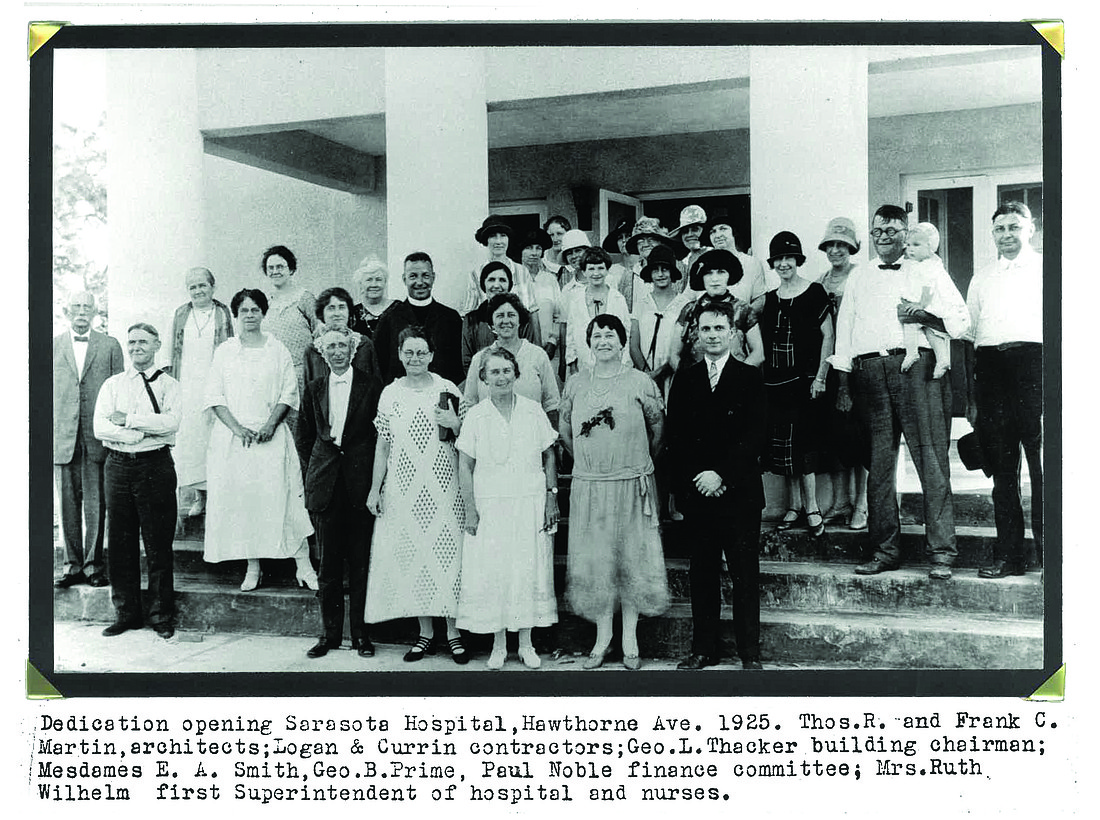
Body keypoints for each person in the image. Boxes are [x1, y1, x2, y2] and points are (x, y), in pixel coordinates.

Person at [831, 205, 971, 579]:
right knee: (878, 468)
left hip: (919, 370)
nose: (885, 238)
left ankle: (941, 551)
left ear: (906, 232)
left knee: (931, 461)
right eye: (879, 231)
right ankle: (884, 550)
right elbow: (844, 333)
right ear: (872, 235)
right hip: (870, 374)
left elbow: (961, 321)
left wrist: (923, 316)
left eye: (893, 231)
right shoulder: (859, 277)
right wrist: (844, 384)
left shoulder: (926, 267)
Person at [560, 315, 669, 670]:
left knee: (631, 559)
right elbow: (565, 434)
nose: (604, 340)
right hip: (590, 487)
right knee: (598, 563)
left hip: (631, 486)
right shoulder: (575, 384)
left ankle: (630, 639)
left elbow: (657, 430)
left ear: (622, 342)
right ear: (588, 341)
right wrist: (596, 468)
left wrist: (631, 464)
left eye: (611, 334)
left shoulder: (640, 382)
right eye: (597, 335)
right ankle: (603, 637)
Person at [666, 300, 767, 670]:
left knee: (744, 574)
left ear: (732, 333)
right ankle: (703, 649)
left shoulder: (749, 377)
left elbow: (755, 435)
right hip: (699, 494)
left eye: (719, 329)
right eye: (705, 329)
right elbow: (676, 436)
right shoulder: (686, 378)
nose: (712, 335)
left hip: (738, 493)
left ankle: (749, 653)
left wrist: (721, 475)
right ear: (697, 333)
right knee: (702, 573)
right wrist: (699, 479)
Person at [202, 289, 317, 591]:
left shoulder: (277, 349)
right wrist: (238, 428)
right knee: (246, 502)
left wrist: (270, 424)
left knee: (287, 497)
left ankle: (303, 565)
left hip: (271, 435)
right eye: (244, 311)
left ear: (263, 314)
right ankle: (253, 567)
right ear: (236, 315)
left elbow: (289, 392)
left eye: (255, 310)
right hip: (235, 440)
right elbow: (214, 395)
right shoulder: (225, 351)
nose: (250, 315)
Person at [365, 326, 468, 663]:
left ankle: (453, 633)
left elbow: (465, 440)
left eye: (421, 352)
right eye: (409, 352)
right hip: (404, 489)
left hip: (444, 486)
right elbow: (383, 445)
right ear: (399, 354)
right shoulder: (390, 394)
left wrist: (455, 424)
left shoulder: (447, 388)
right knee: (415, 556)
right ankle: (425, 634)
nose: (415, 358)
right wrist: (375, 488)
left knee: (447, 555)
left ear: (432, 355)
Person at [457, 347, 559, 669]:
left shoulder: (532, 410)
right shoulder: (475, 416)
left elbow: (549, 455)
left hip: (528, 501)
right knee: (495, 571)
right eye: (494, 372)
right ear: (483, 378)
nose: (501, 377)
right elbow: (465, 465)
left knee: (526, 569)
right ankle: (499, 644)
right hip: (490, 504)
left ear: (516, 374)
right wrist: (470, 508)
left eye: (506, 371)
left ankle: (526, 644)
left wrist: (552, 496)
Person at [964, 202, 1043, 578]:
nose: (1007, 235)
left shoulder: (1048, 268)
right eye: (1000, 229)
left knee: (1044, 469)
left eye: (1014, 227)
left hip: (1036, 370)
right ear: (992, 234)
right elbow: (972, 337)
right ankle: (1009, 556)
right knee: (1002, 471)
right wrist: (973, 397)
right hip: (993, 373)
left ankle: (1051, 559)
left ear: (1030, 229)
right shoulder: (982, 278)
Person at [297, 326, 384, 658]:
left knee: (361, 563)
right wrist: (316, 474)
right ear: (322, 351)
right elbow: (304, 436)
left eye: (342, 345)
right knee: (328, 566)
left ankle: (362, 635)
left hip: (360, 485)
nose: (337, 351)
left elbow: (378, 436)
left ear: (352, 349)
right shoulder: (314, 387)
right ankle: (329, 634)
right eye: (330, 346)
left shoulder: (371, 385)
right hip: (326, 486)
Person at [92, 322, 181, 638]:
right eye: (131, 342)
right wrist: (137, 434)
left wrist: (129, 420)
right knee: (120, 542)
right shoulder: (113, 385)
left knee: (158, 542)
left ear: (157, 345)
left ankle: (161, 615)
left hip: (155, 466)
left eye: (143, 342)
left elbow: (172, 423)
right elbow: (100, 427)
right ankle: (126, 613)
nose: (136, 347)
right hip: (117, 467)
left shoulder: (169, 385)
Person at [758, 231, 835, 537]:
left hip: (805, 383)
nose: (784, 263)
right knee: (783, 449)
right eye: (779, 259)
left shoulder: (814, 292)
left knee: (804, 447)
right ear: (774, 263)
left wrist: (820, 377)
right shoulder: (769, 299)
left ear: (798, 260)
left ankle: (812, 507)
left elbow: (828, 336)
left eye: (789, 258)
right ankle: (792, 507)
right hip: (776, 384)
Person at [54, 291, 123, 589]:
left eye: (87, 307)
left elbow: (120, 391)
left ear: (95, 312)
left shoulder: (110, 345)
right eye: (77, 306)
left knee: (97, 504)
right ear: (68, 311)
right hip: (64, 438)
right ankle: (71, 566)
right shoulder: (51, 345)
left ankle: (94, 565)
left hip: (97, 437)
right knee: (67, 505)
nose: (82, 311)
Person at [815, 217, 869, 530]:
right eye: (831, 245)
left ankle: (861, 503)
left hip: (857, 365)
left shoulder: (861, 275)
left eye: (842, 245)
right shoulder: (821, 280)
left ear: (851, 247)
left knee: (859, 436)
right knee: (834, 436)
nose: (836, 250)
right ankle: (840, 501)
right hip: (832, 366)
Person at [168, 267, 234, 518]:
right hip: (187, 386)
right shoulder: (181, 314)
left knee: (213, 441)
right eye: (192, 287)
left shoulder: (222, 313)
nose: (197, 291)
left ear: (212, 287)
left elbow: (229, 352)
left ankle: (217, 496)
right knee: (190, 443)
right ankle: (199, 497)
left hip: (214, 386)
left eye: (202, 285)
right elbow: (173, 353)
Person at [462, 292, 560, 421]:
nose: (506, 321)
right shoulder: (479, 359)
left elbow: (551, 404)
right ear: (491, 323)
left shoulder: (538, 355)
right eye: (500, 316)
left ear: (520, 320)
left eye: (511, 315)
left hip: (532, 434)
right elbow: (470, 405)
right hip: (490, 436)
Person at [373, 252, 464, 385]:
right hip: (402, 398)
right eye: (413, 276)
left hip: (442, 399)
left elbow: (459, 366)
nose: (420, 282)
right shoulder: (389, 319)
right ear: (404, 279)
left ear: (433, 277)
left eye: (425, 276)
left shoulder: (451, 318)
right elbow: (380, 367)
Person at [670, 248, 764, 372]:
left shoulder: (743, 310)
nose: (715, 279)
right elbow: (673, 355)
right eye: (708, 273)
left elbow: (758, 353)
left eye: (721, 272)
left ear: (729, 275)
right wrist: (688, 379)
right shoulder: (690, 310)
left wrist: (740, 376)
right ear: (702, 277)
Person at [629, 244, 694, 397]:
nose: (660, 274)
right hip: (644, 374)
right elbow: (633, 344)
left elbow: (685, 347)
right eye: (655, 270)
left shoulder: (685, 304)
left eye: (664, 269)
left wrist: (660, 372)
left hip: (672, 373)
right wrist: (646, 373)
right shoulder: (641, 303)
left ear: (672, 272)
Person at [460, 261, 540, 372]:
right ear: (483, 284)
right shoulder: (471, 320)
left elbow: (529, 357)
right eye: (491, 280)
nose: (496, 285)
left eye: (502, 280)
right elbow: (467, 361)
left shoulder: (523, 317)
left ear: (509, 285)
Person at [564, 248, 634, 374]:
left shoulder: (618, 299)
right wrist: (572, 366)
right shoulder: (576, 300)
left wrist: (624, 365)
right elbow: (571, 337)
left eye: (600, 268)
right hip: (584, 366)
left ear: (607, 270)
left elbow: (627, 334)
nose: (596, 273)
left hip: (614, 367)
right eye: (591, 269)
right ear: (584, 272)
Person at [260, 245, 316, 401]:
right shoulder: (265, 302)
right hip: (272, 374)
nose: (275, 271)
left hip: (300, 373)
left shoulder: (304, 298)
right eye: (270, 267)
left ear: (291, 269)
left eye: (280, 266)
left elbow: (319, 332)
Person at [900, 223, 953, 379]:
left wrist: (920, 305)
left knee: (910, 321)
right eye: (908, 244)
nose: (910, 249)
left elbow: (928, 287)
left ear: (931, 247)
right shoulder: (919, 264)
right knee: (929, 330)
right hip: (929, 303)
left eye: (916, 245)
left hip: (929, 302)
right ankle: (942, 358)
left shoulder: (929, 266)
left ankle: (912, 353)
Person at [303, 286, 381, 385]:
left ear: (349, 311)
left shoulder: (363, 344)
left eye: (341, 307)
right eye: (331, 308)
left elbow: (376, 386)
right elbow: (308, 393)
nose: (337, 313)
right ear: (322, 313)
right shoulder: (313, 350)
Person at [461, 216, 537, 316]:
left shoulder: (522, 271)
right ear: (486, 240)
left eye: (503, 235)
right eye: (493, 236)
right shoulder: (476, 274)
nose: (498, 241)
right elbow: (468, 313)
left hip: (519, 330)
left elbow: (532, 310)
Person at [701, 210, 772, 313]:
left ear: (733, 232)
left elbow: (760, 298)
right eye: (713, 232)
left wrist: (742, 318)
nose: (717, 235)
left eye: (723, 229)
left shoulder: (751, 263)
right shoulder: (703, 264)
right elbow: (688, 297)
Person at [514, 227, 563, 366]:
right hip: (520, 351)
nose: (534, 253)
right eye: (529, 248)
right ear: (521, 250)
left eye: (538, 248)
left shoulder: (550, 279)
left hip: (549, 351)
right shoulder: (513, 279)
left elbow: (559, 315)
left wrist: (552, 342)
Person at [620, 216, 676, 312]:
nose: (645, 244)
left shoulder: (677, 269)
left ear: (660, 242)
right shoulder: (629, 274)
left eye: (651, 240)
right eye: (640, 241)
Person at [349, 258, 398, 341]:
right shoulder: (352, 314)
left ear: (385, 283)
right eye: (369, 280)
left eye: (378, 279)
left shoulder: (398, 308)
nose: (374, 284)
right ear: (361, 284)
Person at [672, 204, 711, 289]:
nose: (689, 234)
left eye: (695, 229)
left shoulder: (713, 256)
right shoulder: (684, 262)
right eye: (685, 231)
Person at [602, 219, 634, 294]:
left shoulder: (641, 268)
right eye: (620, 238)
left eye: (628, 236)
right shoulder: (611, 271)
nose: (623, 240)